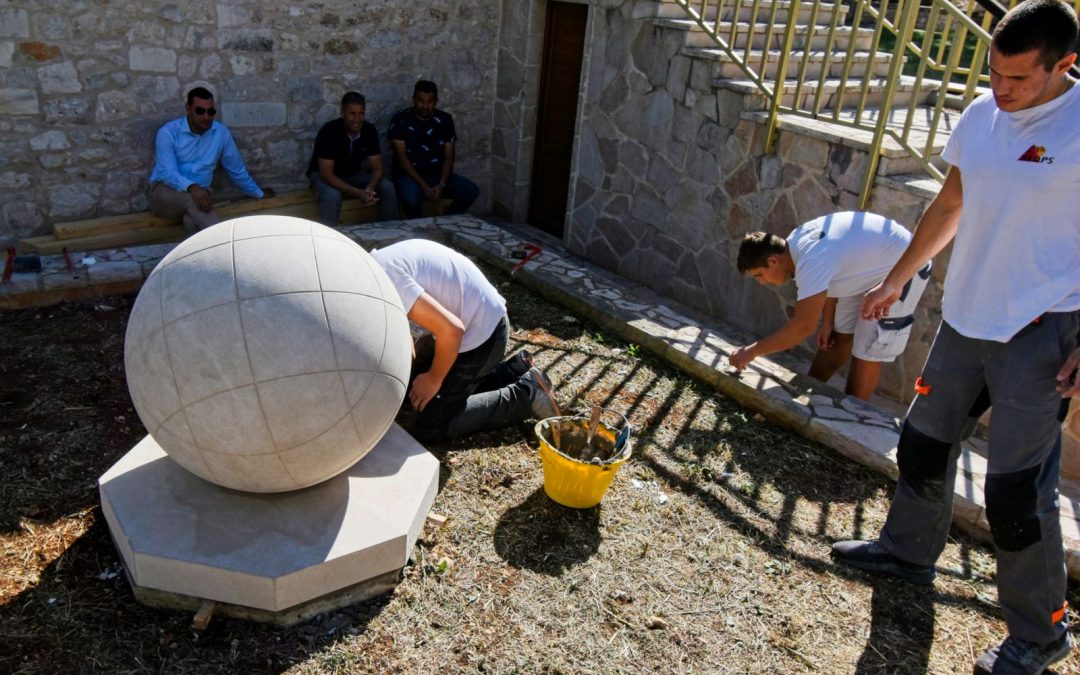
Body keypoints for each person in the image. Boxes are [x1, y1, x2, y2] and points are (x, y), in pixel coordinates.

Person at [830, 1, 1080, 672]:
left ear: (1065, 66)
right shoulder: (982, 115)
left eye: (1019, 80)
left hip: (1043, 326)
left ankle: (1042, 628)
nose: (1001, 90)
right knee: (922, 444)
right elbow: (950, 203)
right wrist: (895, 277)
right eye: (994, 73)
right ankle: (908, 552)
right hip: (967, 315)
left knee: (1016, 493)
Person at [729, 211, 930, 400]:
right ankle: (809, 390)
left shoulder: (810, 260)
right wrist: (827, 322)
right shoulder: (795, 247)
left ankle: (850, 420)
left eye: (759, 275)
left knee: (867, 349)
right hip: (868, 267)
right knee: (837, 336)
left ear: (773, 261)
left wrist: (751, 352)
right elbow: (829, 277)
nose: (762, 282)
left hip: (904, 265)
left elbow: (801, 328)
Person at [371, 239, 558, 441]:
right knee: (410, 392)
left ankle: (526, 395)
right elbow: (403, 335)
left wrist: (433, 379)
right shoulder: (372, 269)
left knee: (429, 423)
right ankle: (512, 371)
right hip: (461, 324)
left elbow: (452, 331)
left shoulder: (389, 281)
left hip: (482, 335)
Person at [148, 86, 274, 233]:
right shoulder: (168, 133)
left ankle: (196, 252)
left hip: (201, 194)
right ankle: (222, 241)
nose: (206, 116)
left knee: (191, 220)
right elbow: (168, 173)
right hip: (164, 192)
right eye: (200, 111)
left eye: (211, 111)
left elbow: (236, 169)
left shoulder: (220, 133)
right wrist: (192, 187)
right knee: (193, 200)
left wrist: (257, 193)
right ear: (188, 109)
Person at [387, 80, 479, 218]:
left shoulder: (445, 120)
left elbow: (449, 156)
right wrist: (424, 186)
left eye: (430, 101)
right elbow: (402, 161)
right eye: (421, 101)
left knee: (470, 191)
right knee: (412, 198)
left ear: (435, 101)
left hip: (436, 174)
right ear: (413, 100)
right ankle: (418, 230)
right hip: (409, 176)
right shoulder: (401, 120)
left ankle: (444, 223)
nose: (425, 106)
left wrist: (441, 184)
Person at [308, 91, 398, 226]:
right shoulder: (329, 131)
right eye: (352, 114)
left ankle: (393, 231)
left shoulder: (369, 130)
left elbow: (378, 168)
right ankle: (328, 239)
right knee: (332, 196)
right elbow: (326, 174)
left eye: (361, 113)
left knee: (387, 187)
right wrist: (358, 193)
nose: (357, 119)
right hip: (323, 176)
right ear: (343, 113)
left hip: (353, 173)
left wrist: (369, 189)